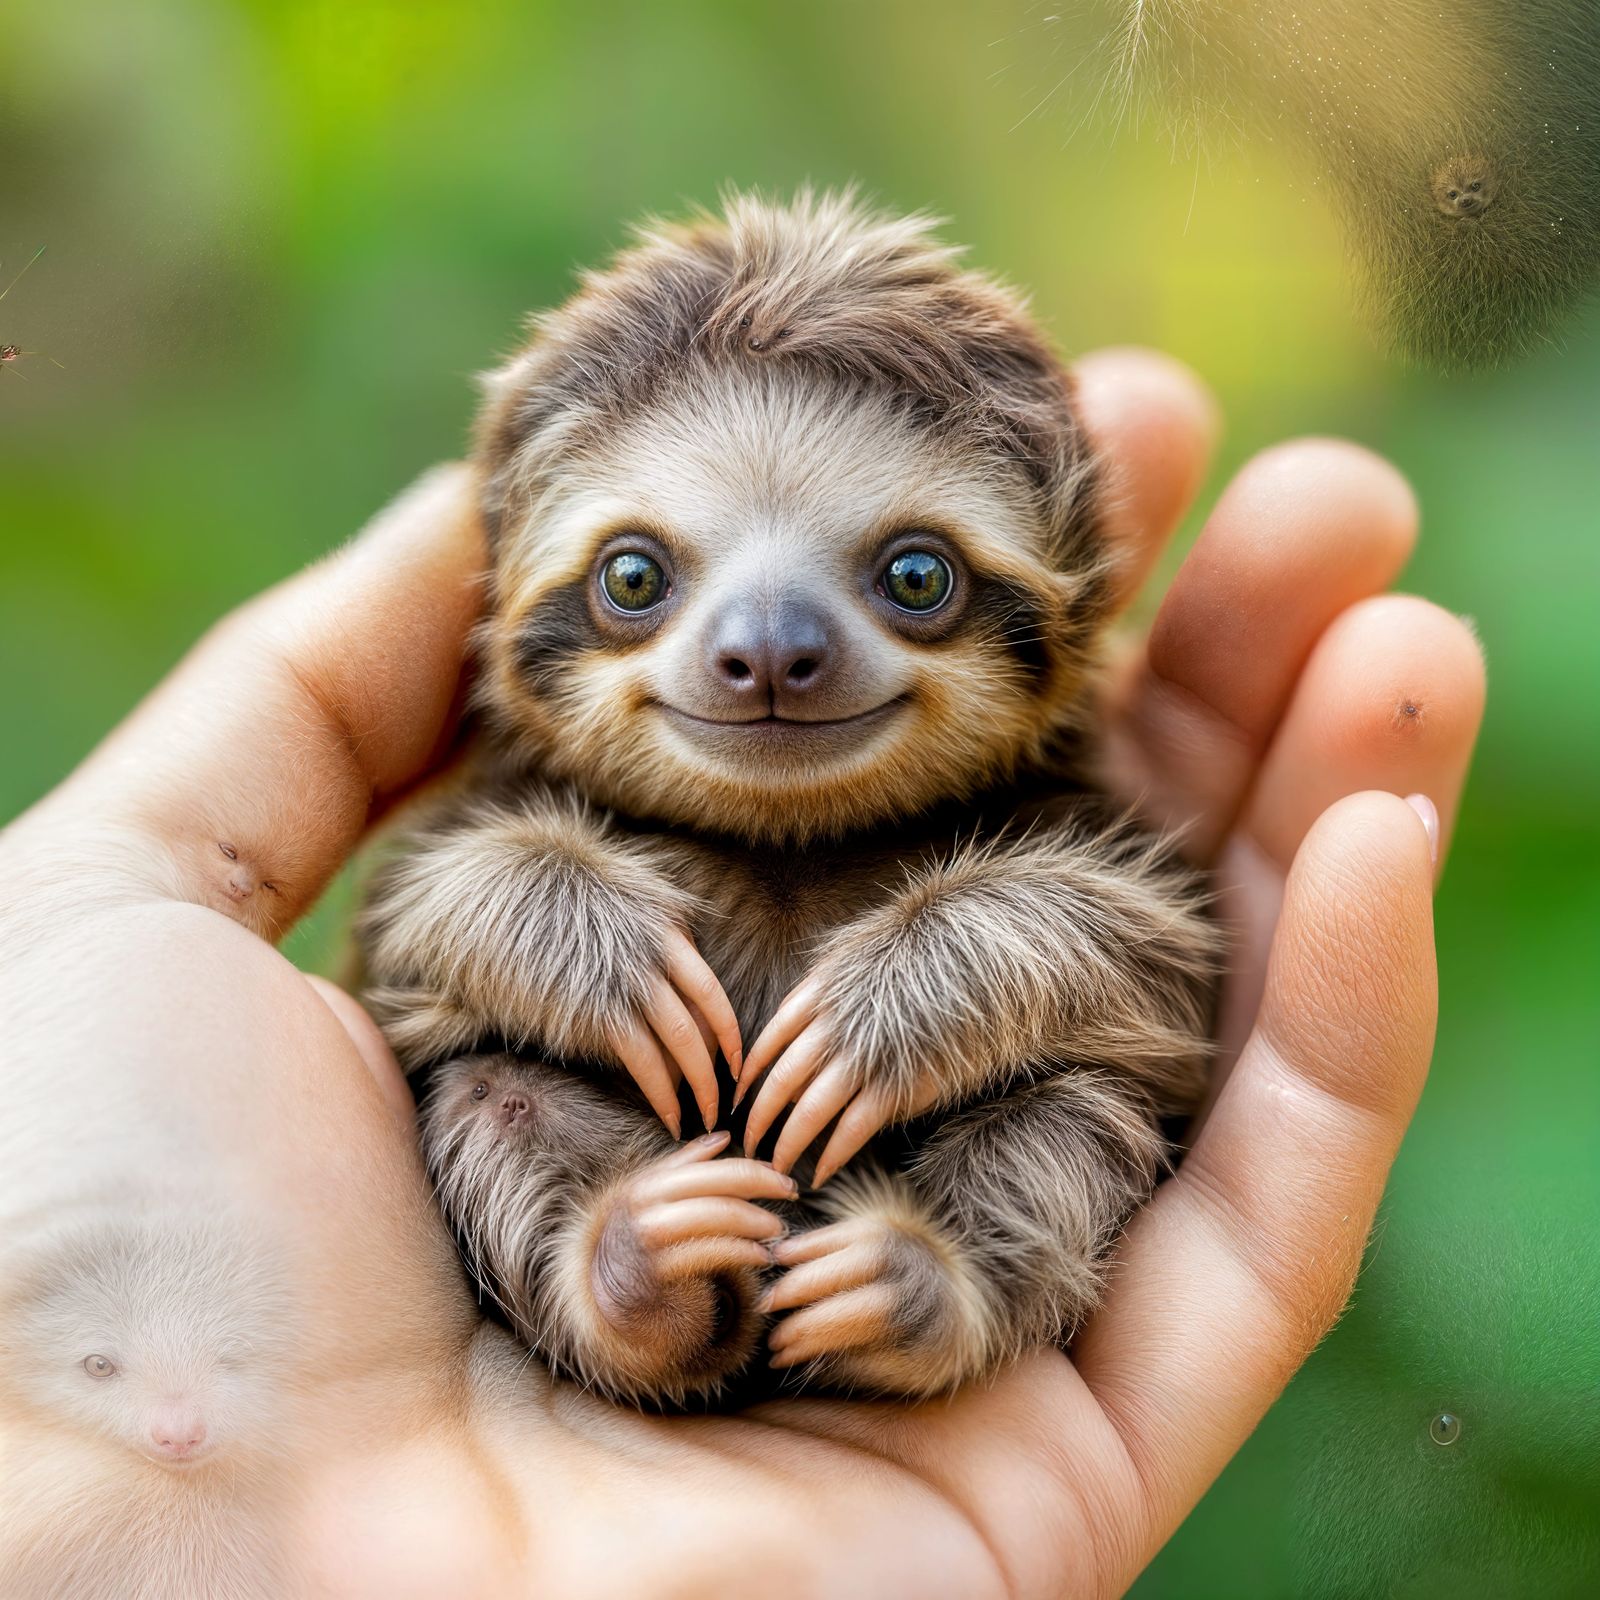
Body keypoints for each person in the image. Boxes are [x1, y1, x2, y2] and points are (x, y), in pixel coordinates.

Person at [0, 348, 1485, 1598]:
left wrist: (966, 964)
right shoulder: (518, 822)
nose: (768, 643)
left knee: (1078, 1110)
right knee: (486, 1090)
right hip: (576, 1251)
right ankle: (619, 1283)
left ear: (1056, 623)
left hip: (936, 1213)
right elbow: (415, 958)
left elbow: (1158, 1015)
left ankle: (934, 1298)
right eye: (643, 580)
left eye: (911, 577)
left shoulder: (1065, 815)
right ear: (520, 628)